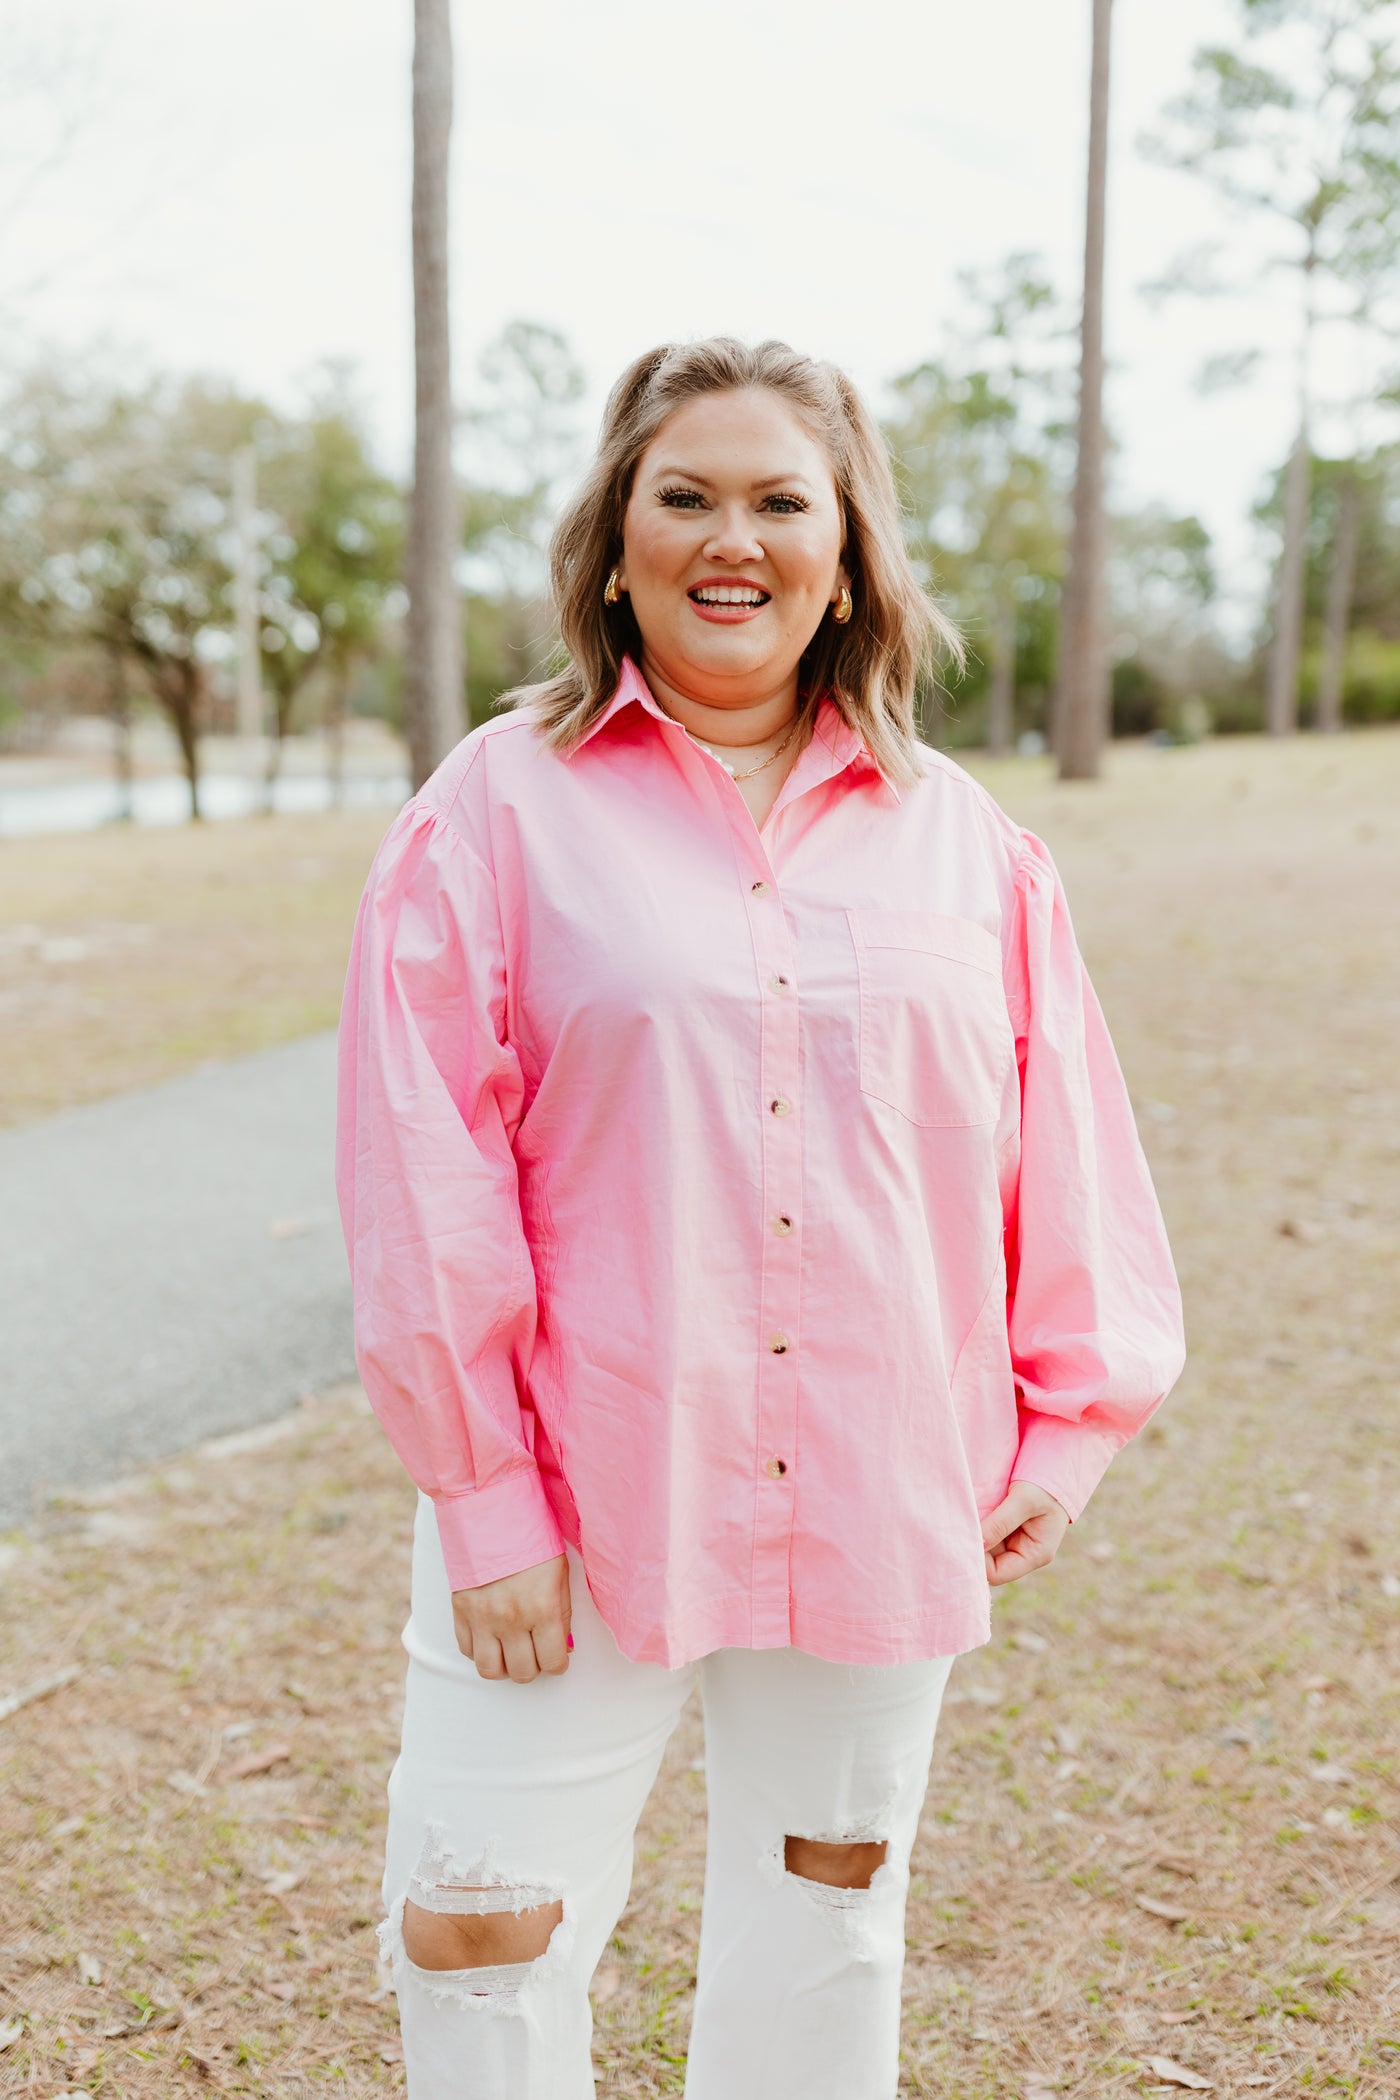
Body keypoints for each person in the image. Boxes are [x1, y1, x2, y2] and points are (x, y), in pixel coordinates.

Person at [335, 336, 1185, 2100]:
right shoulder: (490, 813)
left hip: (885, 1480)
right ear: (617, 536)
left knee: (829, 1921)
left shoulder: (973, 849)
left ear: (849, 549)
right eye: (688, 495)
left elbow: (1067, 1139)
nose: (736, 538)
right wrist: (483, 1498)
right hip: (572, 1496)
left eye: (782, 500)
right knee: (483, 1928)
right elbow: (424, 1170)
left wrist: (1071, 1424)